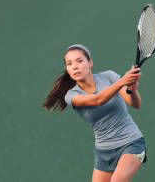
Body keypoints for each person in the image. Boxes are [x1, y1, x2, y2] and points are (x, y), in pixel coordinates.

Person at [43, 44, 146, 182]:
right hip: (104, 152)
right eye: (69, 64)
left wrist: (131, 90)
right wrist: (122, 82)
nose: (75, 66)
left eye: (79, 61)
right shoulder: (71, 95)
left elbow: (135, 104)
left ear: (90, 62)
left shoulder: (109, 77)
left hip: (131, 142)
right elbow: (97, 100)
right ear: (67, 69)